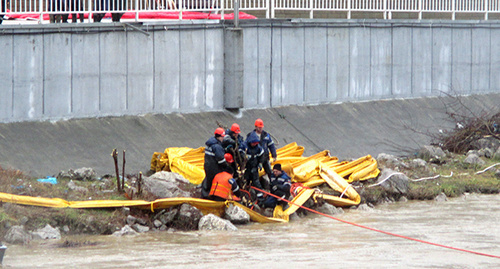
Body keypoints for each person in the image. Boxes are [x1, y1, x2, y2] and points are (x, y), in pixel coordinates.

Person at [247, 118, 277, 187]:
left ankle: (273, 184)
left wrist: (274, 155)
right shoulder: (251, 135)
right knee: (254, 173)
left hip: (265, 157)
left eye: (261, 127)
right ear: (256, 127)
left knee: (269, 171)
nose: (261, 129)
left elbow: (271, 145)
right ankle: (255, 186)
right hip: (255, 158)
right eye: (259, 127)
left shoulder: (266, 135)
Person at [201, 128, 227, 199]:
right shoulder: (217, 147)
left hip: (207, 166)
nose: (223, 138)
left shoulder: (210, 144)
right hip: (214, 168)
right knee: (214, 183)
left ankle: (204, 195)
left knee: (208, 180)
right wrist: (227, 167)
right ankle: (212, 197)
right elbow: (221, 160)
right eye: (223, 137)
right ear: (220, 136)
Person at [244, 132, 267, 202]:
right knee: (245, 181)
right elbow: (240, 154)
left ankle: (260, 198)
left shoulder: (258, 148)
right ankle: (244, 195)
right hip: (246, 168)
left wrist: (260, 163)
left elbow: (262, 156)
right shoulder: (245, 146)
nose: (254, 144)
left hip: (254, 167)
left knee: (256, 182)